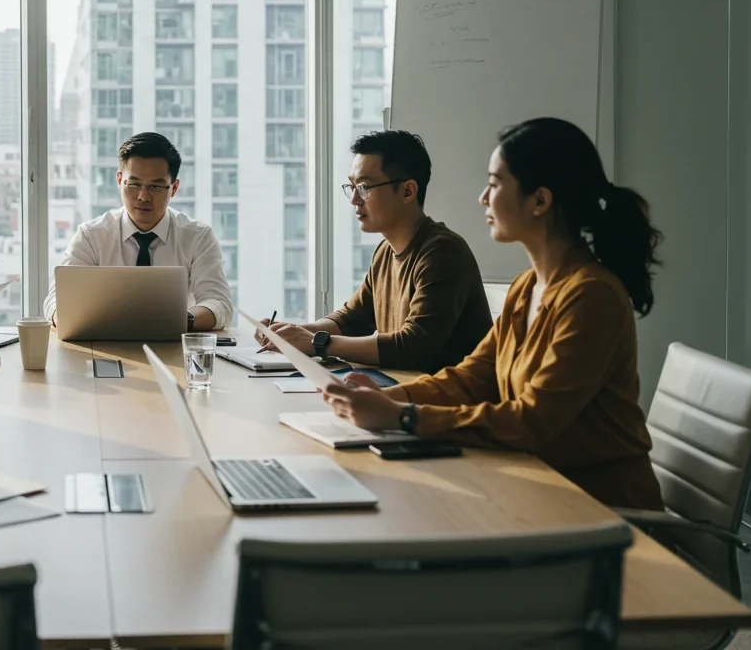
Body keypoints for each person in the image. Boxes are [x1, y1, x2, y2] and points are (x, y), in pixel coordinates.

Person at [319, 118, 665, 510]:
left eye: (496, 183)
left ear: (540, 200)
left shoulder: (592, 298)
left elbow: (531, 421)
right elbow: (471, 379)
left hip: (602, 511)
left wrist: (404, 416)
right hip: (532, 487)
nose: (484, 197)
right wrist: (387, 398)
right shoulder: (526, 287)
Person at [260, 130, 491, 374]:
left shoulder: (442, 253)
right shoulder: (385, 252)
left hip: (445, 403)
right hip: (403, 392)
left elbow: (413, 346)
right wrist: (291, 333)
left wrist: (317, 343)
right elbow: (351, 320)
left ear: (407, 191)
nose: (355, 200)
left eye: (365, 186)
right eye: (352, 186)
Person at [43, 132, 233, 331]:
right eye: (133, 184)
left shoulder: (198, 237)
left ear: (174, 188)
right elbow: (55, 300)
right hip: (103, 344)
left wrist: (179, 320)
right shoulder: (92, 235)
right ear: (119, 180)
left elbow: (219, 303)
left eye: (156, 186)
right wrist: (66, 316)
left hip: (174, 345)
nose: (143, 196)